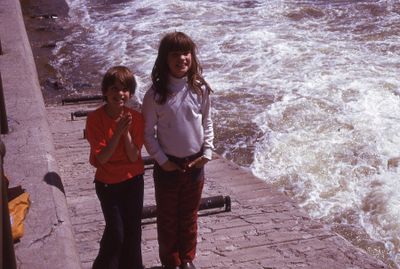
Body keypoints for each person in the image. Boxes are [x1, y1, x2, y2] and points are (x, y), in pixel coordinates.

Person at [142, 32, 214, 269]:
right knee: (168, 219)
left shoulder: (200, 89)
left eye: (186, 53)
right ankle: (171, 262)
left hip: (195, 165)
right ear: (164, 59)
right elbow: (148, 134)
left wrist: (207, 153)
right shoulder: (155, 95)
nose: (182, 58)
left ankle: (187, 259)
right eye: (175, 55)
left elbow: (207, 122)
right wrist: (162, 161)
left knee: (189, 216)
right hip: (168, 167)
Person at [85, 66, 145, 269]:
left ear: (130, 93)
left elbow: (134, 155)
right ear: (105, 92)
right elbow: (102, 157)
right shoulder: (94, 119)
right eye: (114, 88)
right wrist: (118, 132)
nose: (119, 93)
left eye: (124, 89)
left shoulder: (135, 118)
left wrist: (126, 133)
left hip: (133, 181)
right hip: (108, 184)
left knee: (133, 231)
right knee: (116, 232)